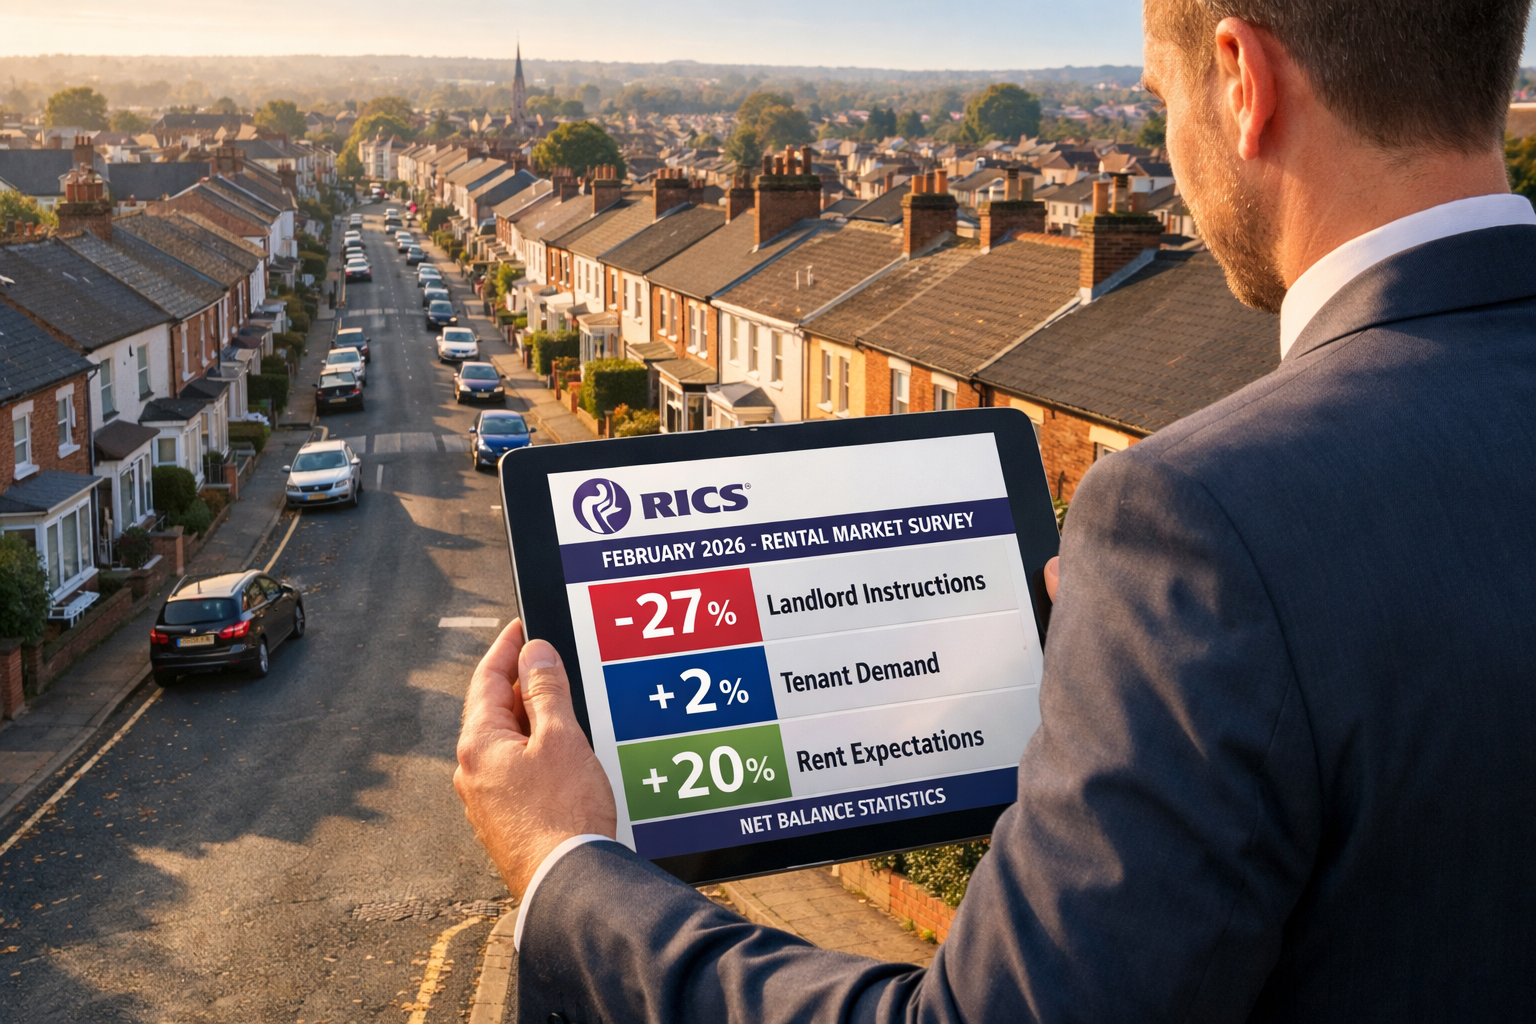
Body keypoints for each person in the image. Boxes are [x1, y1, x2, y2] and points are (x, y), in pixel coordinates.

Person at [456, 1, 1536, 1019]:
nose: (1169, 141)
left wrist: (569, 872)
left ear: (1241, 80)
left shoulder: (1197, 518)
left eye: (1163, 95)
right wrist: (1152, 681)